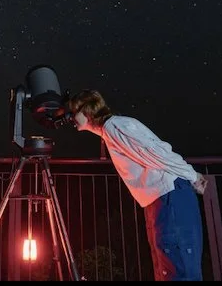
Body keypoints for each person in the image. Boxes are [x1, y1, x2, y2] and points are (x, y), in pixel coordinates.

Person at [68, 89, 208, 281]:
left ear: (87, 109)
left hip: (169, 196)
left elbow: (156, 152)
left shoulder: (115, 127)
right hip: (160, 199)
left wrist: (192, 175)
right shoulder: (110, 130)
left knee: (180, 270)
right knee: (168, 270)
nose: (70, 117)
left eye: (73, 111)